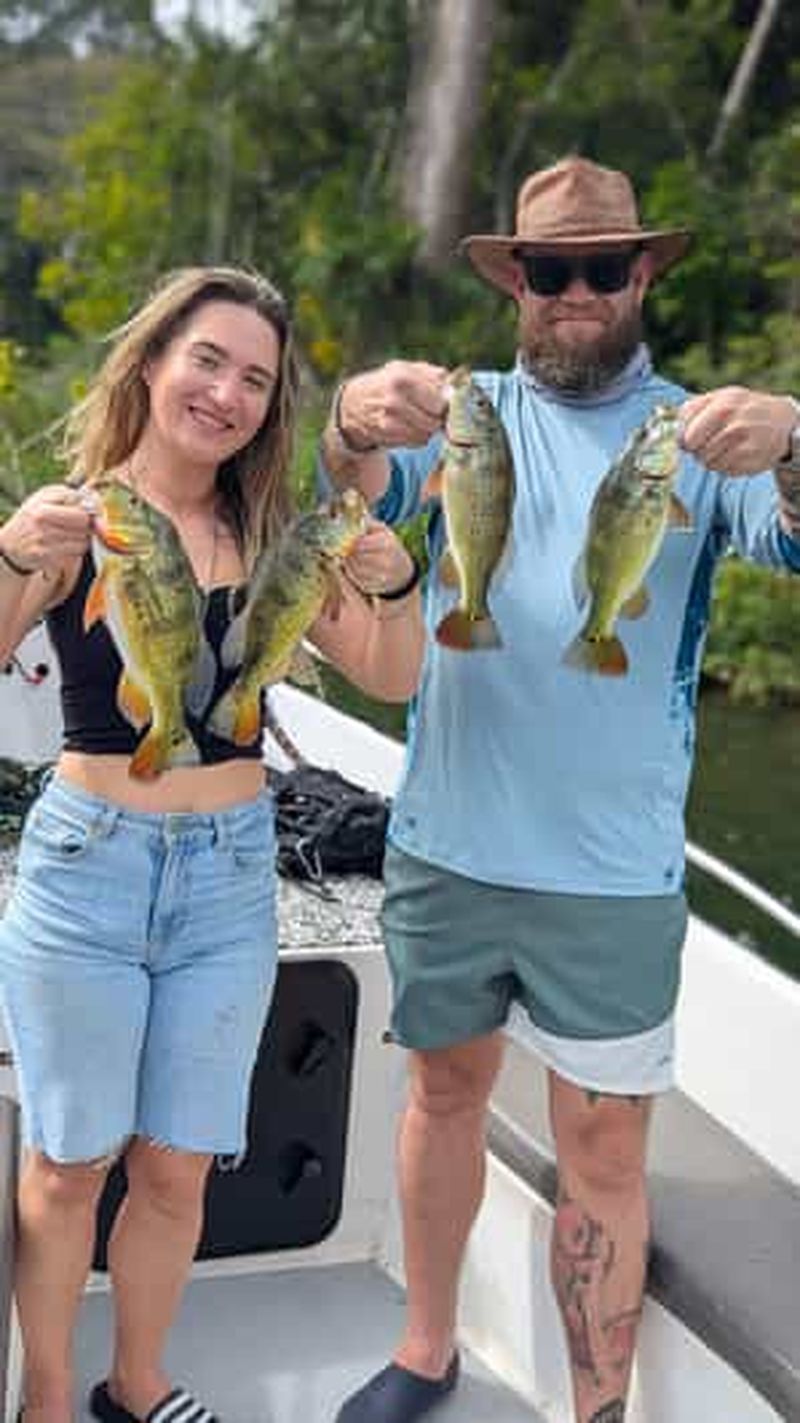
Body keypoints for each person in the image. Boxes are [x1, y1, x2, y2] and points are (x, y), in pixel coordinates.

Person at [317, 156, 800, 1423]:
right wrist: (351, 417)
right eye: (547, 270)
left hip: (606, 875)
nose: (572, 291)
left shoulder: (701, 437)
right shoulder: (459, 409)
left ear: (640, 274)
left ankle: (595, 1415)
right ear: (512, 283)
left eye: (599, 266)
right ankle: (427, 1349)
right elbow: (351, 493)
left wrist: (795, 440)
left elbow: (795, 537)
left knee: (601, 1156)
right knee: (440, 1097)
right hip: (446, 847)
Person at [0, 264, 425, 1423]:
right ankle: (45, 1401)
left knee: (177, 1163)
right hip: (86, 867)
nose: (226, 393)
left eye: (255, 378)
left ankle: (135, 1382)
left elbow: (392, 675)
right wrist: (9, 553)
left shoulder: (279, 537)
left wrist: (392, 584)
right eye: (207, 359)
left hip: (228, 874)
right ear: (151, 362)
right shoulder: (76, 517)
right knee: (66, 1165)